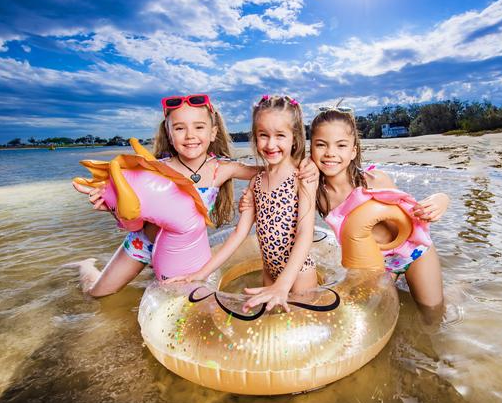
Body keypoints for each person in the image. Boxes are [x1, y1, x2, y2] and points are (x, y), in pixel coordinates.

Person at [68, 94, 317, 297]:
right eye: (179, 128)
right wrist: (110, 207)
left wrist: (309, 165)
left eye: (199, 127)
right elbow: (128, 210)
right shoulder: (155, 169)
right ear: (169, 133)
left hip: (184, 250)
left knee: (178, 298)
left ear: (212, 132)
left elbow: (270, 170)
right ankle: (86, 266)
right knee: (97, 294)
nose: (190, 136)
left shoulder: (222, 168)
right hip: (142, 243)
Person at [165, 95, 319, 313]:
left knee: (301, 325)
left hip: (299, 273)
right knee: (271, 325)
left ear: (294, 138)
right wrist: (200, 273)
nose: (271, 144)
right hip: (269, 271)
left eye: (280, 136)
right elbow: (239, 234)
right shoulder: (255, 182)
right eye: (263, 135)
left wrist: (284, 283)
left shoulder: (302, 178)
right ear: (255, 138)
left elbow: (305, 232)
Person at [309, 105, 447, 307]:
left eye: (341, 145)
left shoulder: (374, 180)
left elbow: (415, 211)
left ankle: (459, 289)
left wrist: (441, 199)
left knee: (431, 312)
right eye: (321, 145)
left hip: (413, 252)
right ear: (310, 147)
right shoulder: (315, 192)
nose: (330, 153)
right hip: (375, 263)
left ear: (353, 150)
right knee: (376, 312)